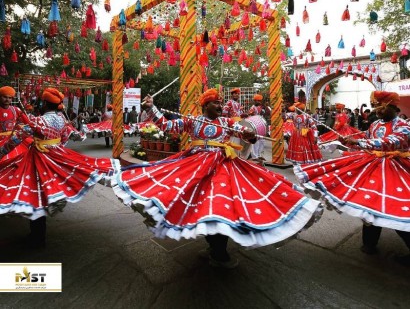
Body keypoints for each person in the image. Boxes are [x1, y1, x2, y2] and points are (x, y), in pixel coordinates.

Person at [111, 89, 322, 269]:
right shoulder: (193, 121)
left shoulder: (227, 122)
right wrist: (151, 108)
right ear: (205, 105)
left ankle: (219, 250)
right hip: (195, 166)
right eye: (215, 103)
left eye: (220, 103)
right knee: (199, 205)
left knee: (220, 205)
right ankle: (215, 247)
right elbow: (166, 126)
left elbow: (245, 131)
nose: (219, 106)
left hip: (223, 165)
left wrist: (250, 134)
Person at [295, 91, 410, 267]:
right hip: (372, 166)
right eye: (375, 107)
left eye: (381, 108)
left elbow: (392, 141)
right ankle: (369, 243)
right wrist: (350, 140)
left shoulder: (403, 125)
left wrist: (362, 143)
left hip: (395, 167)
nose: (377, 111)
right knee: (369, 203)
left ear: (394, 107)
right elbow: (366, 136)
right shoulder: (376, 124)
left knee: (396, 209)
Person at [0, 87, 120, 248]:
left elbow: (17, 138)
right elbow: (65, 138)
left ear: (44, 103)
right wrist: (55, 148)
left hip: (39, 158)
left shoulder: (38, 121)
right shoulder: (62, 120)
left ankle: (37, 237)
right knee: (47, 189)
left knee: (35, 192)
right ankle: (39, 233)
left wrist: (2, 152)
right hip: (55, 156)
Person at [0, 86, 30, 160]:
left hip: (11, 140)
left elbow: (27, 123)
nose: (7, 100)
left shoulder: (16, 110)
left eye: (10, 98)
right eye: (5, 97)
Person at [247, 94, 267, 160]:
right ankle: (254, 156)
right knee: (256, 140)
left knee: (262, 140)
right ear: (254, 101)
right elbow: (249, 116)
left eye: (260, 101)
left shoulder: (262, 107)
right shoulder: (252, 108)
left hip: (261, 125)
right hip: (255, 126)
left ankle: (259, 154)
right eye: (257, 101)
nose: (258, 102)